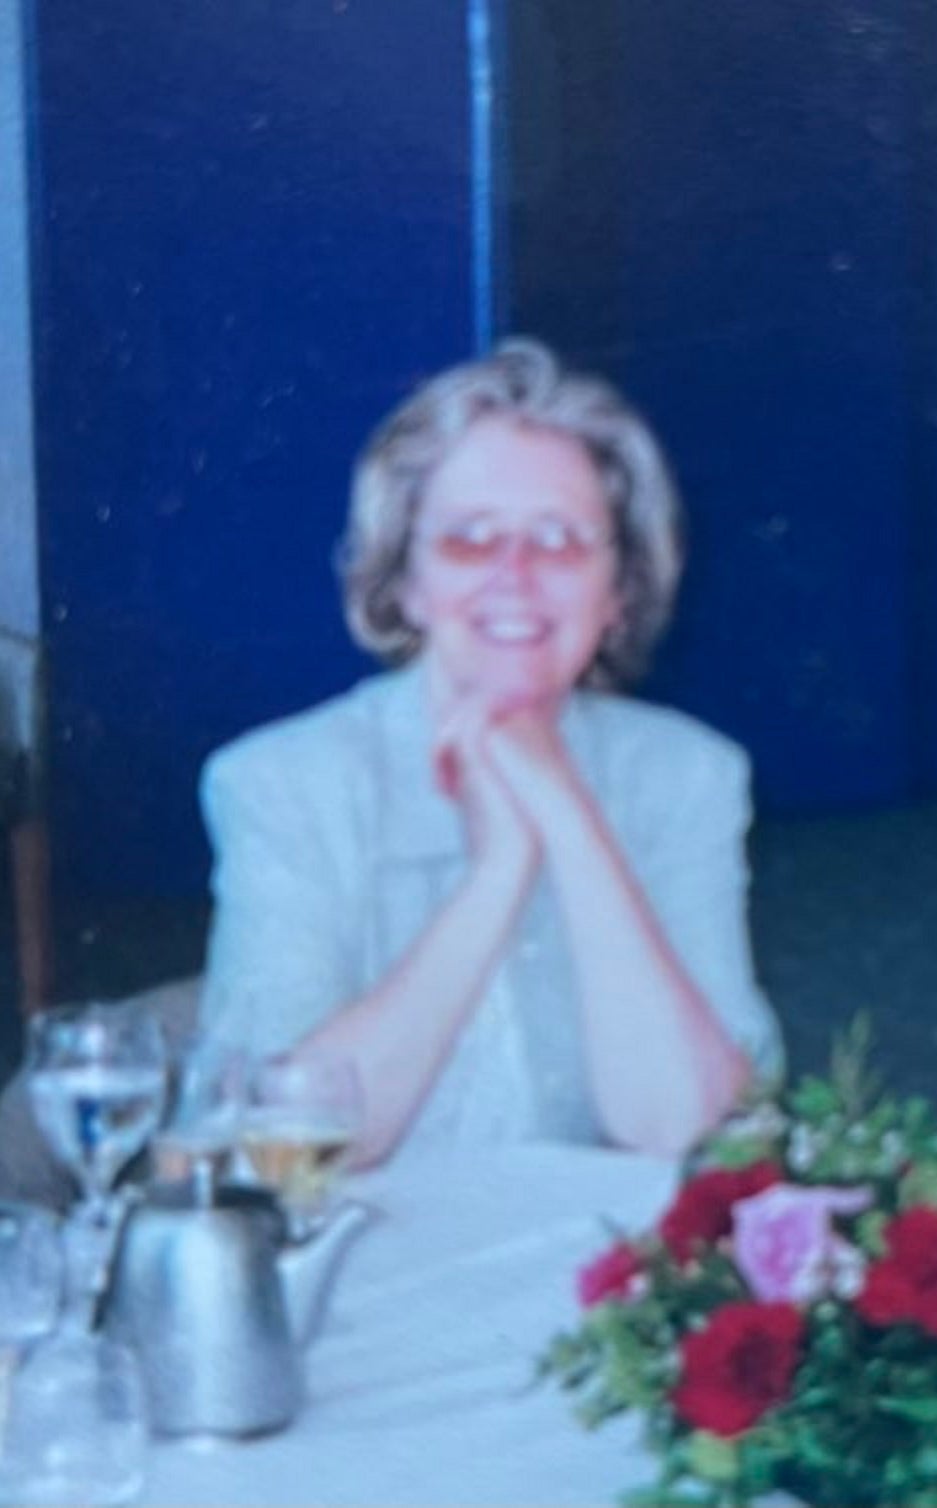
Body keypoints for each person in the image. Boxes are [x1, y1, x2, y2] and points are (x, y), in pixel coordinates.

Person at [199, 340, 780, 1167]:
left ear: (618, 594)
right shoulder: (283, 783)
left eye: (562, 541)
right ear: (405, 582)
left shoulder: (687, 777)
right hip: (363, 1269)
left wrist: (564, 810)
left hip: (612, 1271)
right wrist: (498, 870)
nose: (516, 575)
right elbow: (282, 1147)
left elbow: (685, 1129)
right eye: (470, 539)